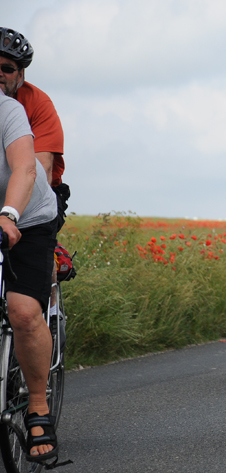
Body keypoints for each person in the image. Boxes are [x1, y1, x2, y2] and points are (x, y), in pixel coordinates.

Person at [1, 88, 60, 461]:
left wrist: (8, 214)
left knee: (22, 311)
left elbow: (25, 166)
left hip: (26, 214)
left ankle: (38, 406)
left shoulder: (7, 110)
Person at [0, 28, 68, 229]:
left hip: (35, 199)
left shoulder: (38, 103)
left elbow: (39, 172)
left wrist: (10, 216)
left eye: (7, 69)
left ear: (21, 74)